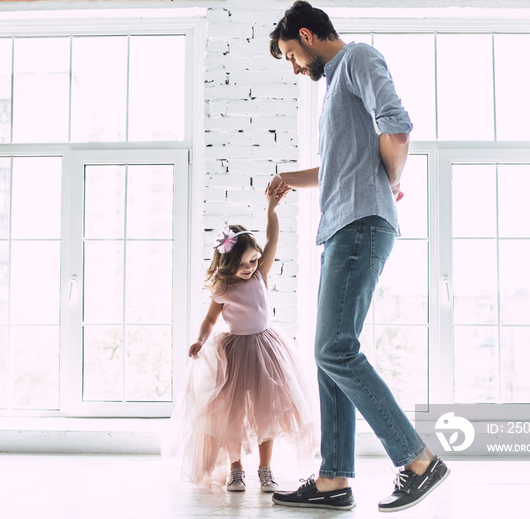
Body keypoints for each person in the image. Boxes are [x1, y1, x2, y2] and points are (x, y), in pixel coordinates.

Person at [265, 1, 449, 513]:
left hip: (359, 225)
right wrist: (289, 179)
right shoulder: (334, 86)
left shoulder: (358, 58)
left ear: (306, 33)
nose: (296, 68)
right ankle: (333, 481)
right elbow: (339, 168)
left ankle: (417, 460)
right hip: (342, 229)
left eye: (291, 56)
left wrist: (389, 183)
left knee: (335, 350)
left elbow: (398, 127)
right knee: (331, 358)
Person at [163, 189, 318, 493]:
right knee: (231, 415)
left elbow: (273, 239)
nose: (251, 268)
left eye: (254, 261)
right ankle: (236, 470)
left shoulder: (260, 275)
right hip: (235, 352)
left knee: (267, 411)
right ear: (228, 261)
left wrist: (271, 208)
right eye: (245, 263)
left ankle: (265, 468)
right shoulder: (222, 289)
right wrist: (199, 339)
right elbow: (210, 320)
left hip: (266, 349)